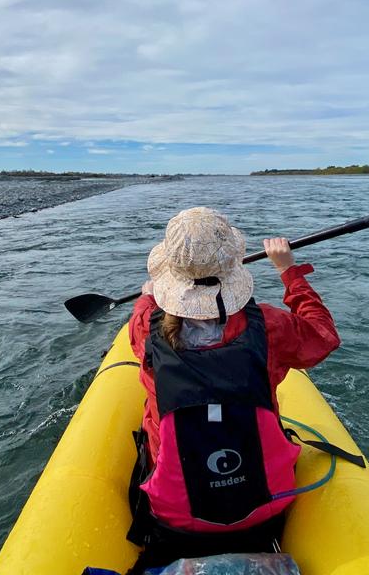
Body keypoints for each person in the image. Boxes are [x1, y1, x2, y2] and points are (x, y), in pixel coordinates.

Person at [126, 206, 340, 569]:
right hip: (263, 510)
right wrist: (289, 272)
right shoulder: (270, 325)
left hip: (176, 520)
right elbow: (323, 336)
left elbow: (141, 322)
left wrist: (148, 296)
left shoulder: (147, 325)